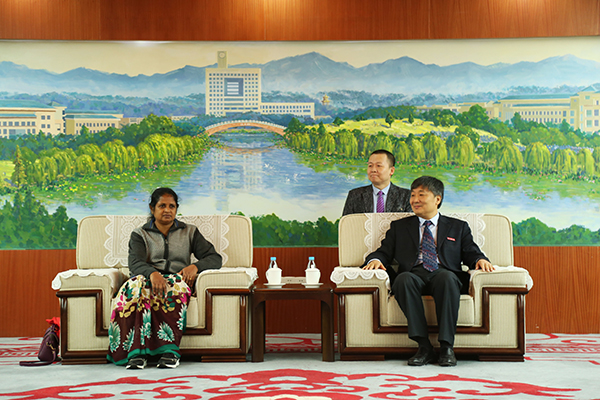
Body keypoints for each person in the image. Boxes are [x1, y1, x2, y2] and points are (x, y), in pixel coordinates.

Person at [363, 176, 495, 367]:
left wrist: (480, 260)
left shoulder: (458, 227)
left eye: (421, 195)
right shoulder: (400, 227)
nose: (415, 200)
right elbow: (384, 251)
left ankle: (447, 347)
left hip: (444, 272)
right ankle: (424, 347)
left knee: (447, 278)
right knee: (403, 279)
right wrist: (375, 260)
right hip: (414, 273)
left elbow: (471, 252)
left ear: (437, 199)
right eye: (412, 195)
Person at [107, 187, 222, 369]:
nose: (167, 210)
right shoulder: (140, 234)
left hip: (176, 279)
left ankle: (169, 352)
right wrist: (153, 274)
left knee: (175, 287)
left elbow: (215, 258)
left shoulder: (190, 232)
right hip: (147, 277)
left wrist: (195, 267)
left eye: (172, 206)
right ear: (152, 208)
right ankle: (136, 354)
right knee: (135, 287)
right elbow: (135, 263)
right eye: (162, 206)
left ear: (176, 209)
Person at [342, 149, 411, 216]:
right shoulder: (355, 195)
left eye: (378, 166)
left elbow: (412, 222)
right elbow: (347, 222)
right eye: (370, 165)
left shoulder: (407, 196)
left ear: (391, 170)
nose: (373, 170)